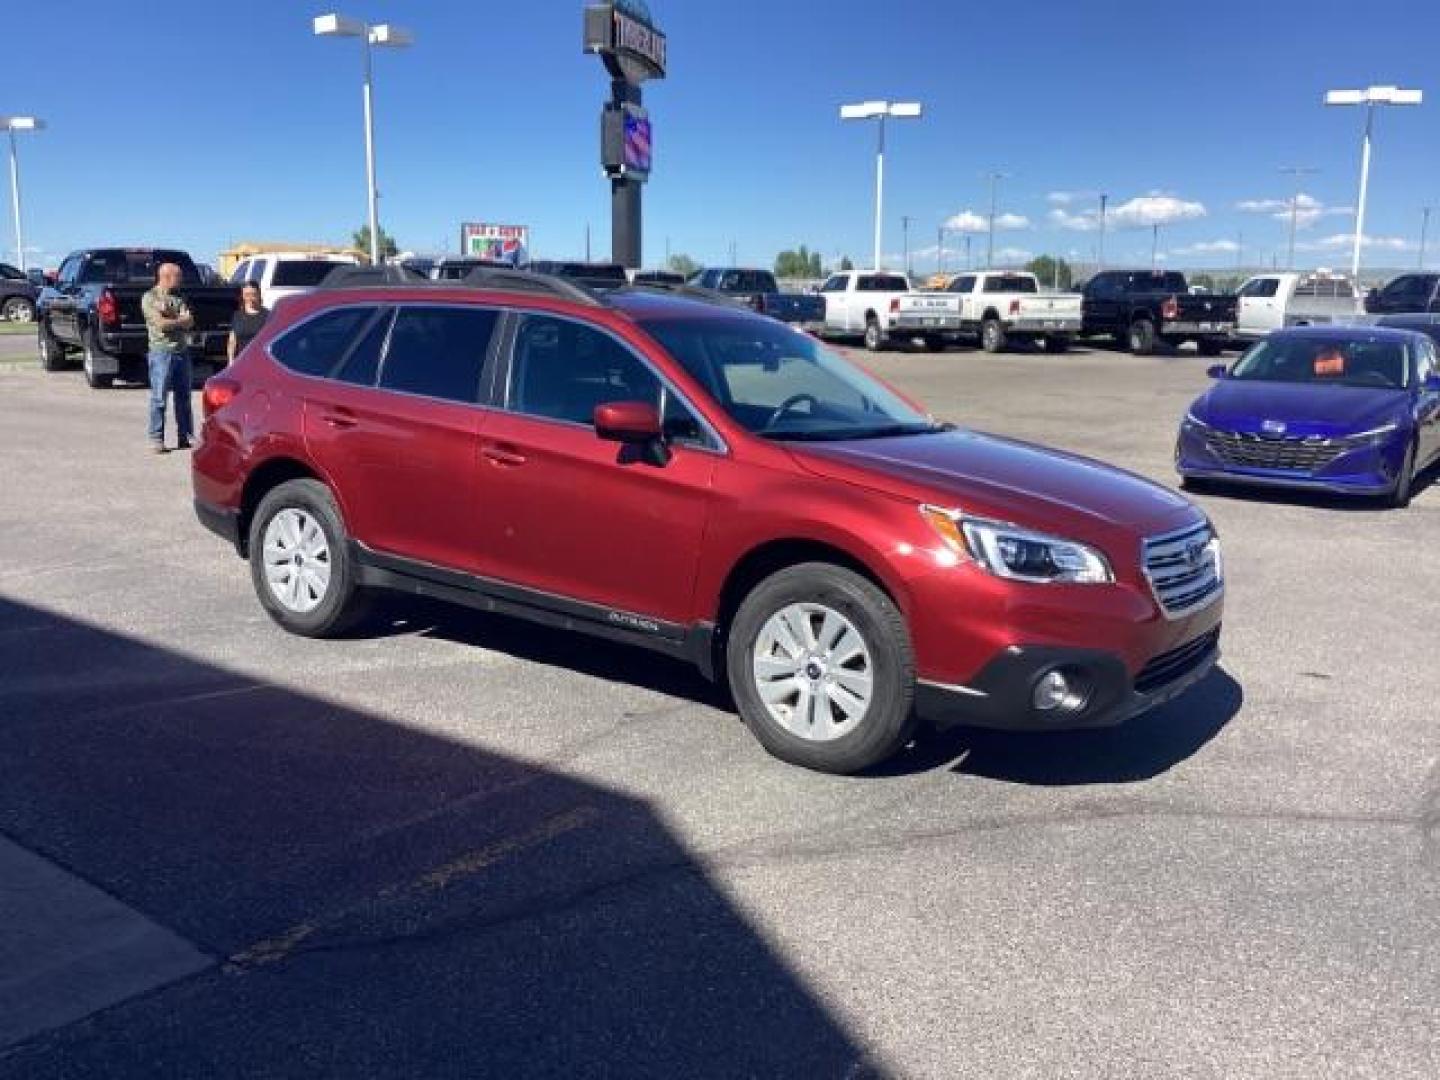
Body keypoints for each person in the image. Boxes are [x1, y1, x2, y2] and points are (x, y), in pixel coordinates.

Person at [140, 262, 195, 453]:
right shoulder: (150, 297)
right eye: (178, 276)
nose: (180, 280)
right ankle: (157, 438)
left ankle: (185, 436)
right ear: (166, 276)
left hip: (182, 352)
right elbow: (161, 324)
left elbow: (190, 322)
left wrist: (175, 318)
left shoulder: (179, 297)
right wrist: (179, 319)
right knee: (159, 397)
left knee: (184, 397)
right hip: (161, 353)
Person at [228, 282, 270, 362]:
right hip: (241, 361)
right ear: (243, 296)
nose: (250, 298)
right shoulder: (237, 315)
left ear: (259, 295)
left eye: (253, 294)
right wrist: (231, 361)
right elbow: (232, 341)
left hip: (261, 360)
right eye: (247, 295)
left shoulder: (268, 315)